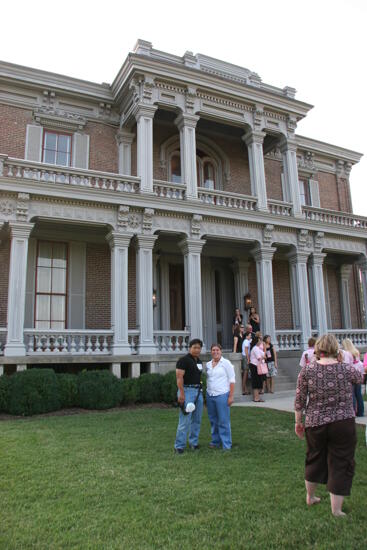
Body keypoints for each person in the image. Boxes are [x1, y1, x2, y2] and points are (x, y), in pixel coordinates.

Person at [294, 334, 363, 517]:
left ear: (317, 349)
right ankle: (336, 509)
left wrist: (298, 422)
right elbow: (360, 377)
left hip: (315, 422)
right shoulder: (346, 369)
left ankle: (310, 497)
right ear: (336, 350)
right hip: (342, 422)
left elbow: (299, 400)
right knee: (340, 461)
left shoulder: (307, 371)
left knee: (314, 458)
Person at [174, 338, 204, 454]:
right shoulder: (183, 360)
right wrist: (181, 393)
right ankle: (179, 446)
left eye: (198, 348)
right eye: (194, 347)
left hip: (198, 392)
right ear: (190, 348)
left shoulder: (199, 362)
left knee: (197, 419)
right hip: (187, 391)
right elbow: (179, 377)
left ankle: (193, 443)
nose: (197, 350)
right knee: (185, 420)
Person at [206, 344, 236, 450]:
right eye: (213, 350)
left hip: (222, 395)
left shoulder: (226, 363)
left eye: (217, 350)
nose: (215, 352)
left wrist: (231, 396)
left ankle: (226, 444)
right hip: (210, 395)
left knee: (223, 420)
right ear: (211, 352)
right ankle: (215, 441)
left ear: (221, 351)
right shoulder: (208, 364)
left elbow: (232, 380)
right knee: (213, 420)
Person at [342, 338, 364, 417]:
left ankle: (353, 412)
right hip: (359, 373)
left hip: (351, 374)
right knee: (359, 394)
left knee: (352, 394)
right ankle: (361, 412)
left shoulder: (346, 353)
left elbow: (347, 365)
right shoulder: (356, 351)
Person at [249, 335, 267, 402]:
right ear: (257, 341)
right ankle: (256, 398)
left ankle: (257, 397)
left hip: (257, 366)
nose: (261, 341)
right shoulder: (255, 348)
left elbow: (264, 354)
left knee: (258, 382)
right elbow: (259, 358)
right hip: (254, 366)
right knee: (255, 382)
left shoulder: (257, 348)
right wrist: (263, 357)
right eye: (259, 340)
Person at [241, 331, 252, 395]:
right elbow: (246, 350)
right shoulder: (246, 341)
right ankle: (243, 389)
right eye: (249, 335)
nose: (250, 336)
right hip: (245, 357)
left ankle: (245, 389)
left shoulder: (247, 341)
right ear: (246, 336)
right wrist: (248, 359)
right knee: (245, 374)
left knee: (246, 374)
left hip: (245, 357)